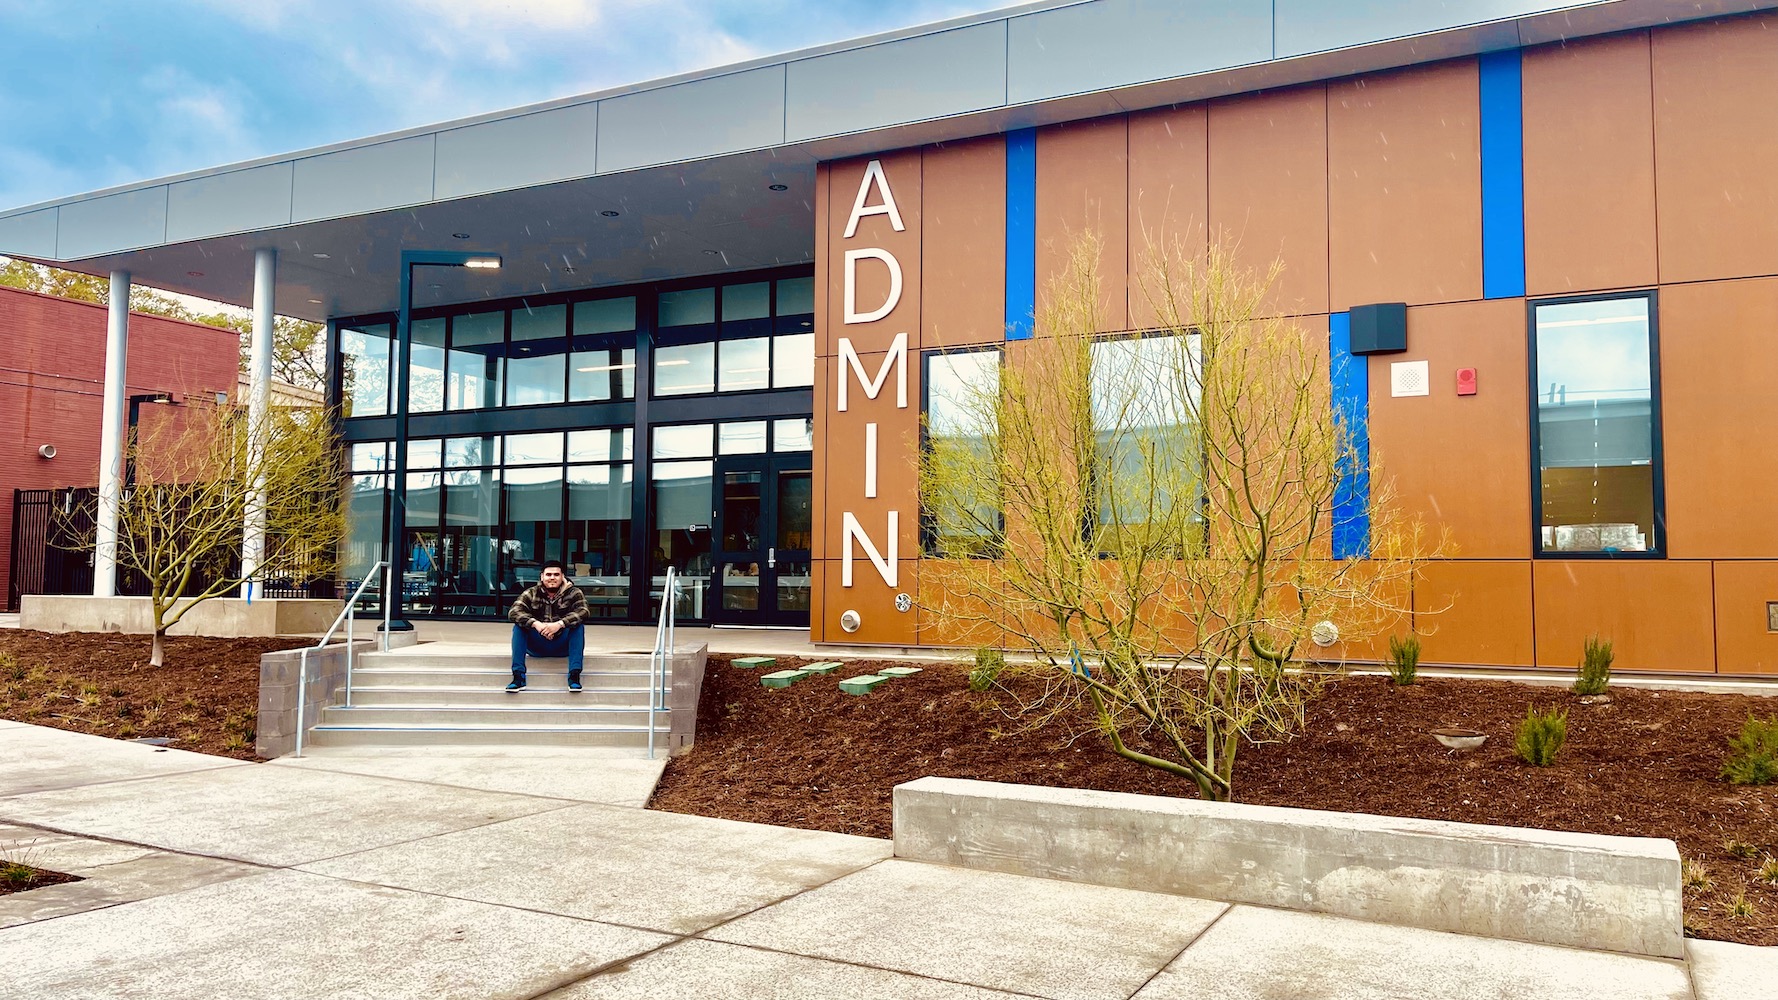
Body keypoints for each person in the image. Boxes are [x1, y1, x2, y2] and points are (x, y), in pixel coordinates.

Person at [506, 559, 589, 692]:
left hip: (563, 645)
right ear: (542, 576)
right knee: (519, 627)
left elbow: (583, 611)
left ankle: (574, 676)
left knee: (578, 626)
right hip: (537, 645)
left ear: (562, 576)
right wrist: (536, 624)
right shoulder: (531, 593)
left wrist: (559, 624)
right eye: (548, 574)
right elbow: (514, 611)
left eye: (556, 575)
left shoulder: (574, 592)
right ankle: (518, 677)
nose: (552, 578)